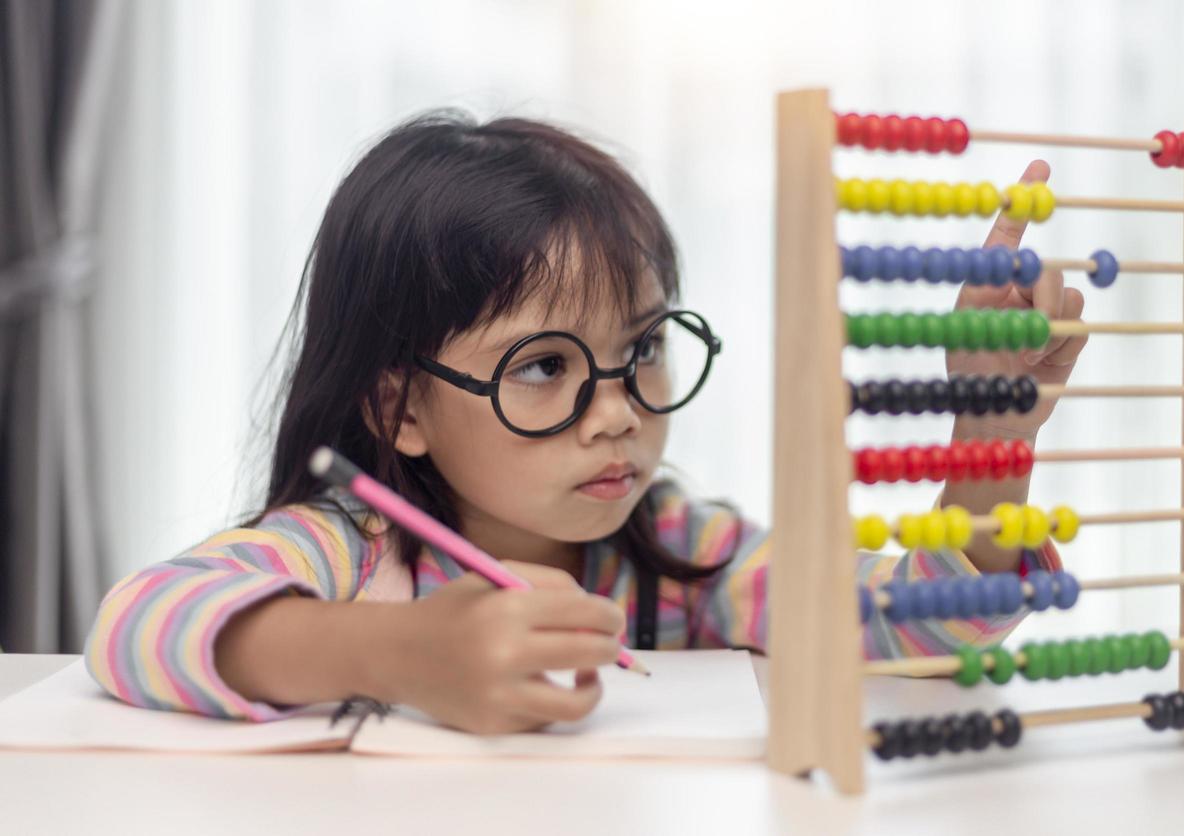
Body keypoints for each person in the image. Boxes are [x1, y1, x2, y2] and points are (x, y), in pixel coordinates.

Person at [84, 114, 1087, 735]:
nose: (616, 411)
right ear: (401, 407)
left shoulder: (676, 546)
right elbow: (130, 626)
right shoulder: (353, 551)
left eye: (644, 348)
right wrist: (394, 653)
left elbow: (918, 630)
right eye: (546, 366)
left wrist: (991, 426)